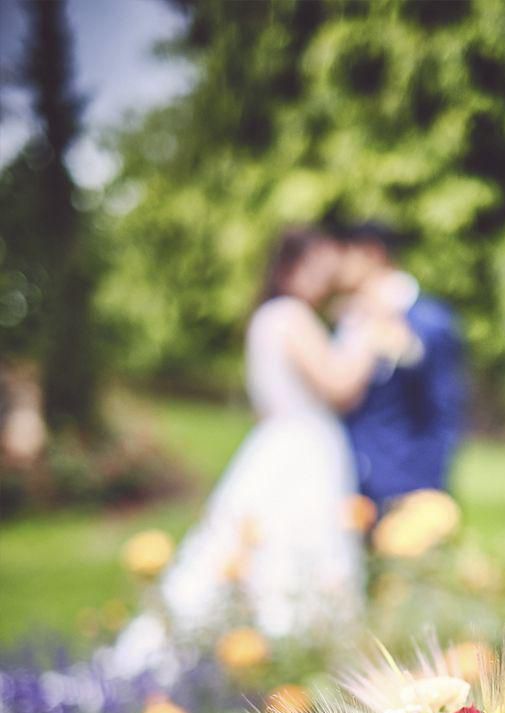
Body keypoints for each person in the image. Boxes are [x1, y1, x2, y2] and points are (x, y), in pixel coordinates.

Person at [112, 226, 408, 675]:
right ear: (291, 268)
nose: (326, 283)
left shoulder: (268, 317)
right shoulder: (291, 316)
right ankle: (297, 655)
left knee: (258, 546)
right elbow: (339, 386)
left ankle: (269, 654)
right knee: (298, 548)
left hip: (278, 444)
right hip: (303, 452)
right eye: (319, 271)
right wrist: (371, 332)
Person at [333, 222, 467, 510]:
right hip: (348, 481)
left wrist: (427, 492)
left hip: (403, 483)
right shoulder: (349, 318)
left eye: (343, 252)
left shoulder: (430, 321)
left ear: (372, 254)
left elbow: (443, 410)